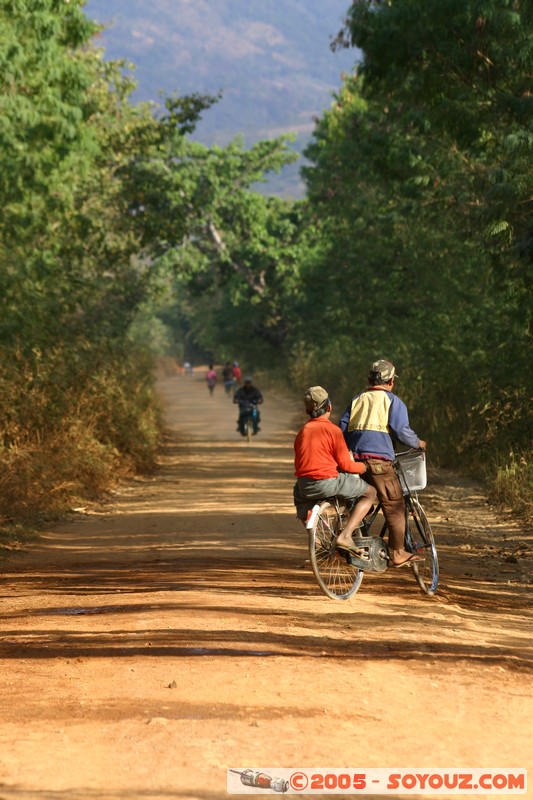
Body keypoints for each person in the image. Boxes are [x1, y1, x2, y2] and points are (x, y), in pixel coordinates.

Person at [339, 359, 426, 567]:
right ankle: (397, 552)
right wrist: (418, 442)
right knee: (395, 504)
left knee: (362, 497)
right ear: (391, 382)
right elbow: (401, 431)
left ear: (369, 380)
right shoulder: (393, 401)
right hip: (379, 462)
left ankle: (348, 532)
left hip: (354, 461)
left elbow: (342, 429)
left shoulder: (357, 400)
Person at [293, 386, 376, 551]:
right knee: (370, 493)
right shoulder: (333, 430)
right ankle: (345, 536)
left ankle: (316, 540)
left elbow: (301, 462)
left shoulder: (302, 432)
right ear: (329, 407)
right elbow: (346, 465)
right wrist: (363, 467)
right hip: (328, 483)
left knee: (299, 498)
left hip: (305, 486)